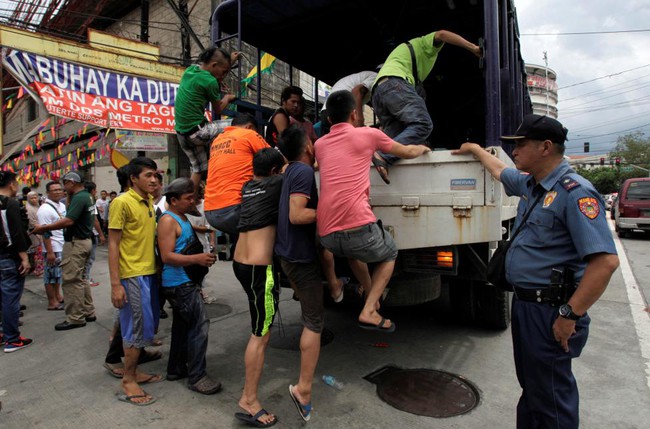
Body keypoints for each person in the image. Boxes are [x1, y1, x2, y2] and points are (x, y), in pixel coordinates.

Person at [452, 114, 620, 429]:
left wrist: (569, 315)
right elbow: (500, 170)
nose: (513, 151)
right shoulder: (533, 183)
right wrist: (475, 149)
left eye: (520, 145)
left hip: (551, 310)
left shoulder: (575, 193)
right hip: (529, 306)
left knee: (551, 398)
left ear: (545, 147)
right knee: (533, 389)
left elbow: (605, 263)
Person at [315, 90, 431, 332]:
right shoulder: (368, 135)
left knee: (353, 253)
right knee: (389, 253)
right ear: (355, 114)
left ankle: (371, 296)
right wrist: (422, 148)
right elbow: (407, 152)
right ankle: (368, 311)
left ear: (328, 120)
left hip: (326, 236)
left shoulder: (320, 144)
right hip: (357, 225)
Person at [371, 30, 481, 182]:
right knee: (422, 124)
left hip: (378, 93)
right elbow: (442, 34)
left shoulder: (405, 61)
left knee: (394, 136)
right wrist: (473, 47)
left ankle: (378, 161)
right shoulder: (424, 44)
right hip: (394, 84)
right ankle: (384, 155)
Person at [274, 125, 327, 422]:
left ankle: (336, 286)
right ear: (307, 144)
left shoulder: (290, 170)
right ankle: (303, 389)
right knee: (314, 322)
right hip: (300, 257)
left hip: (286, 254)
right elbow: (298, 214)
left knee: (313, 312)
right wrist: (332, 210)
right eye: (313, 140)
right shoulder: (304, 173)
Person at [232, 148, 285, 428]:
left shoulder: (248, 185)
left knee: (259, 329)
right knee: (260, 335)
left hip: (240, 262)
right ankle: (249, 399)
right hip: (259, 270)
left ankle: (248, 396)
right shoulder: (278, 182)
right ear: (276, 170)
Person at [157, 178, 221, 395]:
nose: (192, 201)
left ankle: (175, 368)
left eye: (193, 197)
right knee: (199, 326)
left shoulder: (181, 216)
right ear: (173, 200)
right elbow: (166, 256)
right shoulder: (167, 221)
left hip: (185, 281)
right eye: (187, 198)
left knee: (182, 327)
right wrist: (197, 259)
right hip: (179, 283)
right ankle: (197, 376)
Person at [108, 157, 163, 406]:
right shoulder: (121, 202)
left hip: (149, 272)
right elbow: (113, 245)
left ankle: (135, 372)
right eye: (148, 175)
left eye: (156, 175)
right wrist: (115, 284)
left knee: (145, 328)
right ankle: (129, 380)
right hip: (131, 275)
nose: (154, 180)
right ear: (133, 178)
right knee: (135, 328)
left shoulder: (149, 201)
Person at [32, 171, 96, 331]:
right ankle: (88, 311)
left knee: (71, 280)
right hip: (84, 241)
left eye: (64, 184)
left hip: (76, 244)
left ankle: (75, 318)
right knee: (81, 279)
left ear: (72, 182)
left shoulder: (79, 198)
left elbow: (69, 220)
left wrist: (44, 228)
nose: (62, 188)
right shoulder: (86, 196)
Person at [175, 47, 240, 193]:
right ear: (214, 66)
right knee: (239, 125)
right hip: (198, 132)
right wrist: (228, 97)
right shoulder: (211, 82)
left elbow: (217, 66)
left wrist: (229, 61)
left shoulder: (190, 70)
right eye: (223, 72)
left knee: (198, 169)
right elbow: (218, 109)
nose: (223, 76)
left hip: (181, 133)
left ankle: (189, 199)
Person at [204, 113, 270, 237]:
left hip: (211, 212)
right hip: (235, 207)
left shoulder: (217, 140)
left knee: (242, 241)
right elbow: (274, 158)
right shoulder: (249, 134)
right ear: (250, 127)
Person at [0, 171, 32, 352]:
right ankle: (12, 339)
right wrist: (24, 258)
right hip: (8, 256)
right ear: (12, 184)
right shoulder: (9, 204)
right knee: (10, 298)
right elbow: (16, 232)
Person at [36, 181, 66, 310]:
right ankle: (52, 302)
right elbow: (45, 232)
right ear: (48, 192)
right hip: (52, 247)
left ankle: (58, 296)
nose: (58, 192)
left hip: (61, 245)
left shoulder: (61, 205)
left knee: (57, 275)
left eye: (60, 189)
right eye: (54, 190)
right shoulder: (45, 209)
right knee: (50, 276)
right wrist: (49, 252)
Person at [319, 71, 377, 135]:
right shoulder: (375, 76)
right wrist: (360, 119)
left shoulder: (359, 80)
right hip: (340, 113)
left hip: (327, 112)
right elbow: (356, 91)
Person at [84, 182, 106, 287]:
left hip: (85, 234)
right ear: (92, 190)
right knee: (89, 258)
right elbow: (95, 220)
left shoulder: (80, 200)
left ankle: (85, 277)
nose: (96, 192)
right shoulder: (90, 201)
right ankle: (86, 278)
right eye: (95, 190)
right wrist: (101, 234)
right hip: (91, 233)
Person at [25, 191, 44, 277]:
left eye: (35, 197)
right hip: (34, 232)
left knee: (36, 251)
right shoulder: (29, 209)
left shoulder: (37, 206)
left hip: (39, 231)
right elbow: (31, 223)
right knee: (37, 251)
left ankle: (35, 268)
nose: (34, 200)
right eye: (31, 198)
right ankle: (38, 270)